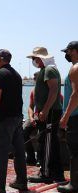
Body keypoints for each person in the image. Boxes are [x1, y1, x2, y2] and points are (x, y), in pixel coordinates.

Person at [0, 49, 27, 193]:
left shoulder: (0, 74)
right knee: (19, 152)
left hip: (4, 120)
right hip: (17, 118)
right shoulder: (17, 75)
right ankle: (21, 181)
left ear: (1, 59)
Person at [26, 47, 65, 183]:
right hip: (46, 113)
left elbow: (54, 90)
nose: (34, 61)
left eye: (35, 58)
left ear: (41, 58)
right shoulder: (44, 70)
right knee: (46, 142)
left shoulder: (49, 69)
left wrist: (45, 110)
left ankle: (46, 174)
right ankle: (52, 172)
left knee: (48, 143)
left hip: (51, 113)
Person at [57, 41, 78, 193]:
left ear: (74, 51)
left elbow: (75, 95)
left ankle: (74, 184)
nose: (67, 54)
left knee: (75, 152)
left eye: (68, 51)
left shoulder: (76, 68)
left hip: (75, 118)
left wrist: (65, 117)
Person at [22, 71, 40, 166]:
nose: (34, 79)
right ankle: (31, 157)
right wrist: (31, 118)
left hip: (46, 117)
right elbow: (30, 107)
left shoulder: (52, 90)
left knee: (41, 135)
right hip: (36, 116)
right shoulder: (34, 91)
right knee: (23, 131)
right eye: (34, 78)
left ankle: (40, 159)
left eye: (36, 77)